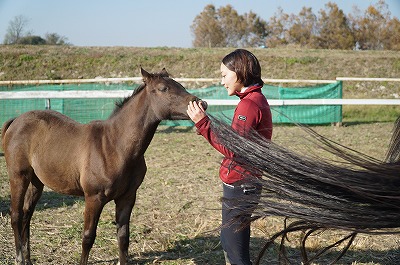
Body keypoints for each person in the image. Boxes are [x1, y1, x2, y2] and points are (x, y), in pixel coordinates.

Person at [187, 49, 273, 265]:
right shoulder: (253, 100)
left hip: (241, 186)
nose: (222, 81)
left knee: (236, 254)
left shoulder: (250, 104)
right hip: (241, 185)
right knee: (229, 242)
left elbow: (234, 149)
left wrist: (203, 123)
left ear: (240, 73)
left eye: (225, 75)